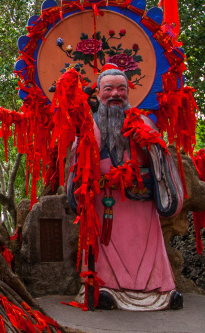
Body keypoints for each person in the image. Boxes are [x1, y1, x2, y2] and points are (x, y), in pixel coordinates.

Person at [67, 69, 186, 311]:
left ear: (129, 93)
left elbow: (160, 159)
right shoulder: (89, 125)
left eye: (121, 89)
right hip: (104, 201)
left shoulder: (143, 122)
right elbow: (77, 164)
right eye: (108, 89)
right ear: (98, 92)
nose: (115, 94)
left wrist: (148, 149)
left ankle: (160, 292)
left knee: (147, 248)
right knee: (105, 247)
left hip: (139, 201)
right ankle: (105, 289)